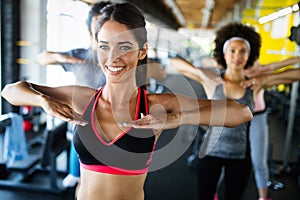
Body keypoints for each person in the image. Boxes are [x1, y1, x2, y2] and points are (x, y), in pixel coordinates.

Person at [1, 3, 253, 200]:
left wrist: (177, 118)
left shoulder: (156, 105)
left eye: (124, 47)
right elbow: (10, 90)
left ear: (142, 50)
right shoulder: (83, 99)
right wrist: (43, 100)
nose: (112, 58)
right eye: (104, 46)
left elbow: (241, 112)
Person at [170, 22, 261, 200]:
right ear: (224, 54)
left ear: (249, 55)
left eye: (243, 51)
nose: (237, 56)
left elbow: (293, 73)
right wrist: (201, 72)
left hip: (240, 154)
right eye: (232, 51)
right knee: (205, 196)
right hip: (210, 152)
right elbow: (175, 62)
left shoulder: (254, 84)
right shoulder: (213, 81)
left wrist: (267, 69)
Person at [37, 1, 111, 188]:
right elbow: (42, 58)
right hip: (83, 130)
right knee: (80, 183)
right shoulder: (78, 54)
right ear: (89, 29)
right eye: (97, 23)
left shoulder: (117, 57)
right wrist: (64, 58)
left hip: (111, 131)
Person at [243, 58, 300, 200]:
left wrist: (266, 68)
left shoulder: (261, 74)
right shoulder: (233, 72)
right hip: (238, 119)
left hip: (258, 117)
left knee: (259, 161)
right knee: (225, 158)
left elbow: (291, 66)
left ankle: (263, 197)